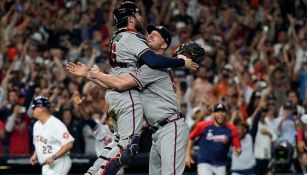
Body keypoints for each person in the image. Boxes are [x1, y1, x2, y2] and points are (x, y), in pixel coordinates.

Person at [67, 1, 197, 175]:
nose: (150, 35)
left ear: (164, 45)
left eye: (156, 35)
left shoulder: (154, 66)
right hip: (158, 131)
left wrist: (93, 75)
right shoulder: (143, 64)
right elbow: (117, 84)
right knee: (123, 142)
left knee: (128, 146)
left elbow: (121, 83)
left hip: (171, 126)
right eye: (150, 33)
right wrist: (90, 75)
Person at [185, 103, 241, 175]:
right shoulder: (203, 125)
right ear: (213, 113)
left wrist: (238, 150)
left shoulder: (231, 129)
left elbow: (237, 146)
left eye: (222, 111)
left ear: (226, 113)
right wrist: (187, 155)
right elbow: (191, 137)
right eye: (217, 111)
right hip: (205, 162)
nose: (220, 114)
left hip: (221, 164)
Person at [29, 96, 74, 175]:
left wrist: (54, 157)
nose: (32, 110)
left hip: (60, 162)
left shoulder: (56, 124)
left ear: (41, 109)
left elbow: (69, 144)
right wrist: (35, 155)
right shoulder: (36, 125)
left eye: (34, 108)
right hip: (46, 165)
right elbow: (40, 144)